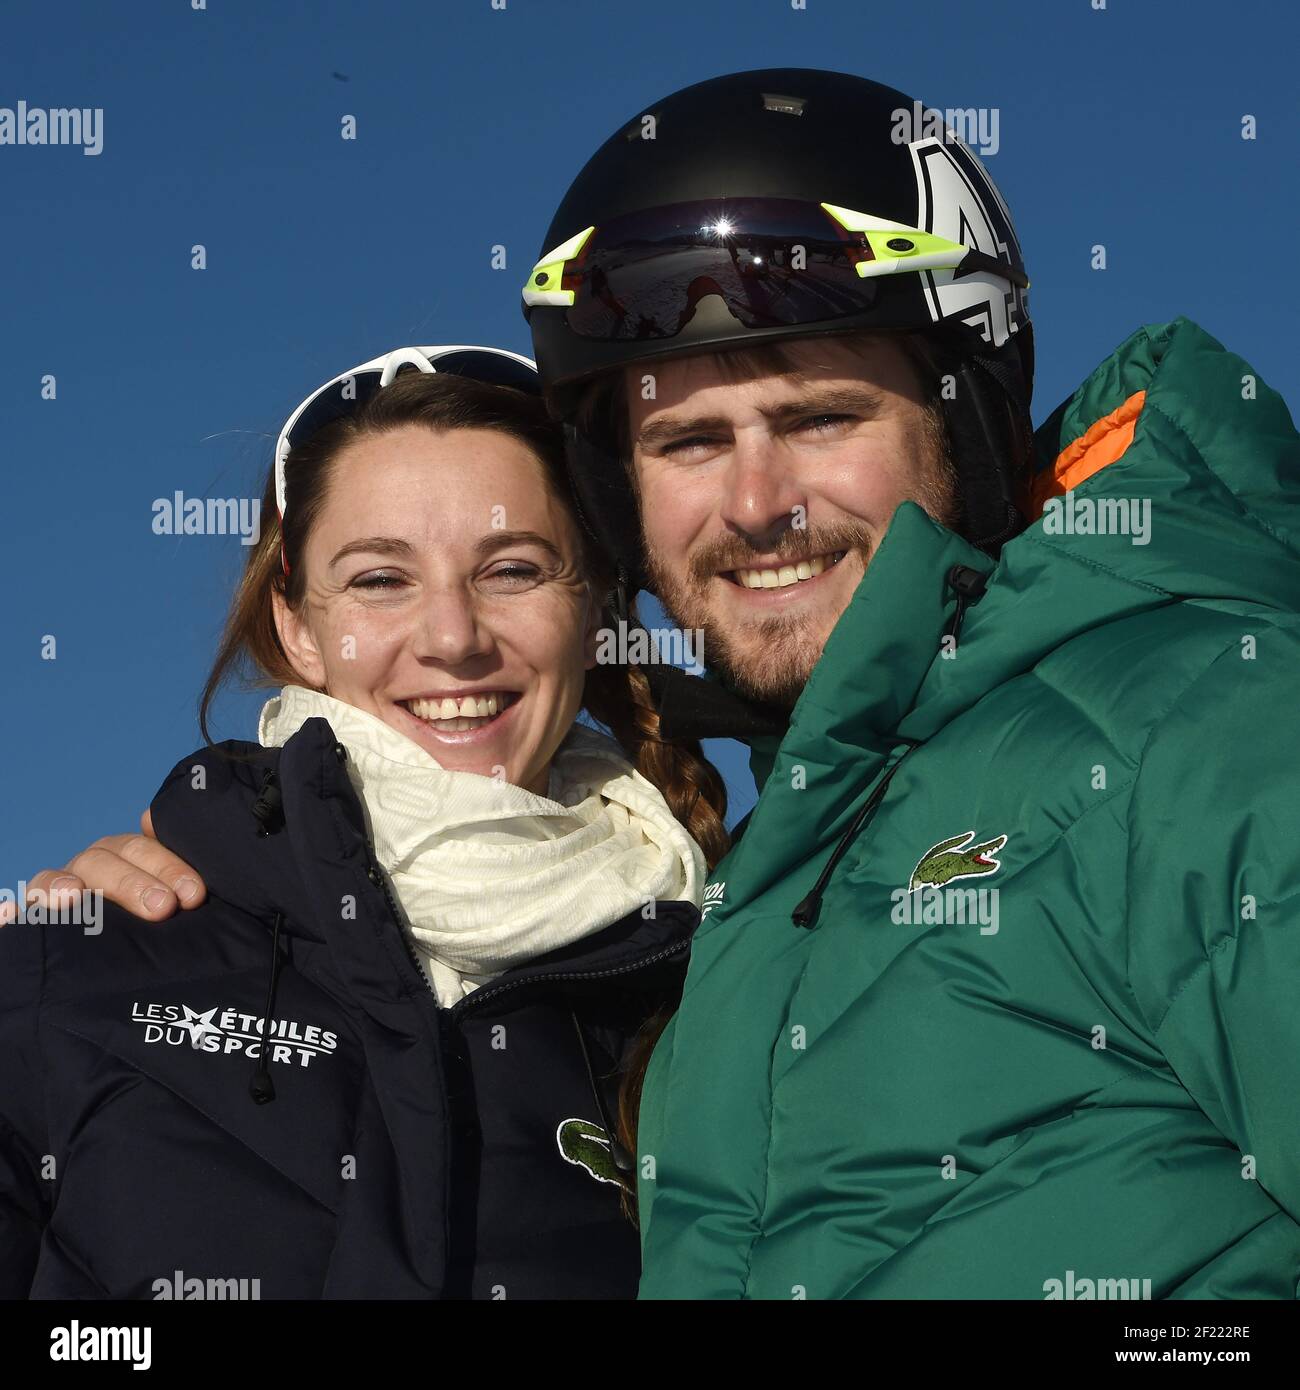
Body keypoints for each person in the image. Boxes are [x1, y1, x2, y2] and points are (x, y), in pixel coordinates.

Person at [26, 67, 1300, 1301]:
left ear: (960, 413)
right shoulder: (733, 940)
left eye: (816, 419)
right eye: (689, 441)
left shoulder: (1196, 726)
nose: (755, 505)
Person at [0, 344, 723, 1300]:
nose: (454, 637)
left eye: (510, 569)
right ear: (297, 625)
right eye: (381, 579)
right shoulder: (74, 968)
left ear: (591, 609)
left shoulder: (710, 998)